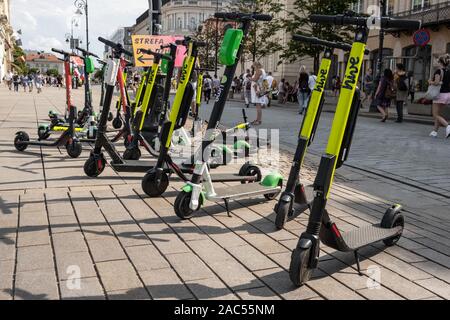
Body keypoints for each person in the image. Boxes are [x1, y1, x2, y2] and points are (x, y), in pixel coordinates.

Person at [429, 54, 450, 138]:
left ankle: (447, 126)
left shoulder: (438, 71)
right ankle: (435, 132)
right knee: (438, 113)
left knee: (435, 114)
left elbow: (437, 83)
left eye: (438, 61)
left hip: (439, 94)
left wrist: (430, 81)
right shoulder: (448, 71)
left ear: (440, 62)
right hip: (447, 94)